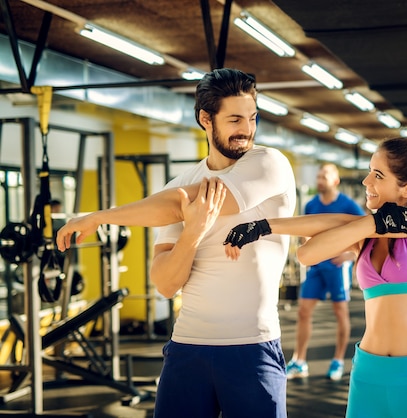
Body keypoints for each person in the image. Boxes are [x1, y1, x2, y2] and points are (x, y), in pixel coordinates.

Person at [56, 68, 296, 418]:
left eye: (252, 117)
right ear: (205, 119)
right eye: (234, 119)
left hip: (252, 347)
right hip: (187, 348)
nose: (246, 129)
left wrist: (99, 216)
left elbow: (179, 202)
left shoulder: (269, 164)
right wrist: (192, 233)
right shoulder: (182, 181)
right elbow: (166, 284)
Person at [224, 134, 407, 417]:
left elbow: (346, 225)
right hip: (368, 376)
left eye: (377, 175)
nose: (366, 182)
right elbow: (307, 254)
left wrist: (363, 224)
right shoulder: (368, 232)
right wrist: (262, 226)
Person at [287, 163, 365, 381]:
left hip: (337, 267)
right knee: (303, 311)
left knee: (340, 313)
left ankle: (338, 360)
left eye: (324, 176)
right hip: (317, 267)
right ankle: (299, 361)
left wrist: (349, 256)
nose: (319, 179)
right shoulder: (311, 205)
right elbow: (305, 235)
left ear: (335, 181)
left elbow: (367, 234)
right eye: (318, 176)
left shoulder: (348, 205)